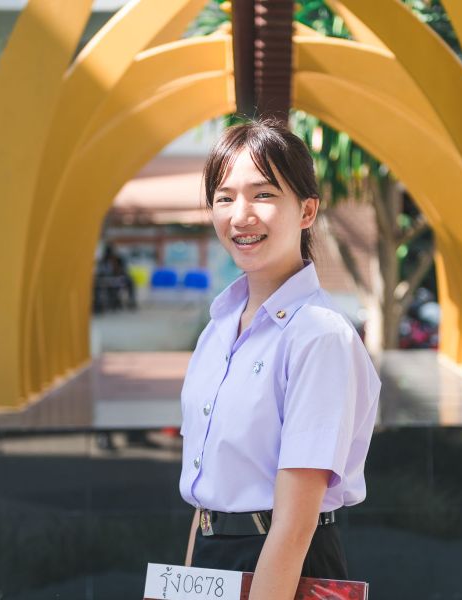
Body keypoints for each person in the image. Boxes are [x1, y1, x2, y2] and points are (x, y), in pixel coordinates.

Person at [178, 118, 381, 599]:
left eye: (263, 194)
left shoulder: (319, 336)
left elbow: (293, 526)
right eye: (224, 198)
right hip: (211, 558)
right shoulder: (217, 329)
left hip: (285, 565)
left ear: (307, 210)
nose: (240, 215)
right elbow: (205, 494)